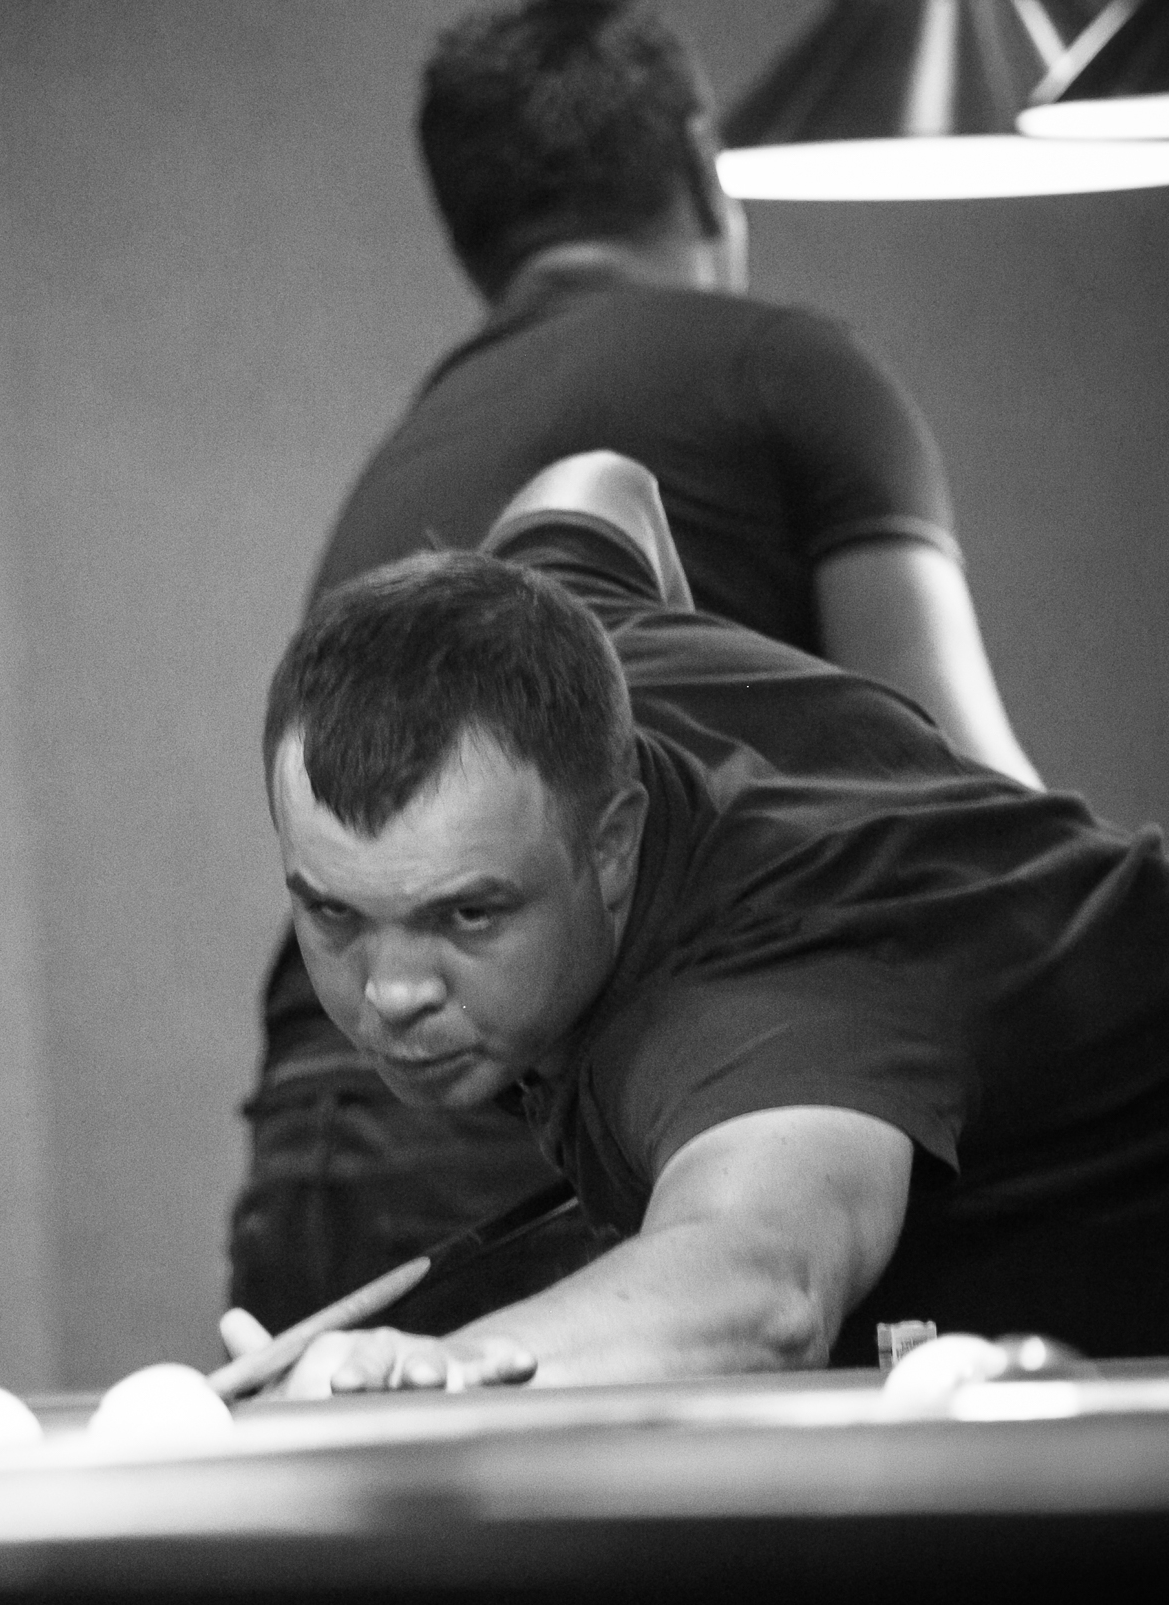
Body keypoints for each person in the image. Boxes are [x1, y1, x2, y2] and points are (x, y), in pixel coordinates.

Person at [252, 452, 1169, 1395]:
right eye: (334, 913)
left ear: (613, 841)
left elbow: (761, 1286)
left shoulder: (765, 995)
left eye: (467, 912)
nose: (389, 991)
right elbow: (596, 483)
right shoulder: (567, 650)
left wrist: (439, 1376)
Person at [230, 0, 1036, 1329]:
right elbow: (971, 809)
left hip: (317, 1135)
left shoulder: (429, 434)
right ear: (704, 163)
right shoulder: (788, 366)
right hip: (540, 1113)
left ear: (472, 233)